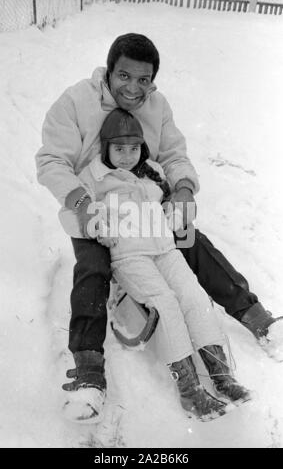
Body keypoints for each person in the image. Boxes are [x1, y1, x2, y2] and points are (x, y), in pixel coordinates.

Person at [35, 33, 281, 421]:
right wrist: (81, 204)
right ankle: (89, 374)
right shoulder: (76, 102)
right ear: (109, 70)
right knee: (93, 270)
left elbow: (174, 154)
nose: (133, 88)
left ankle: (257, 319)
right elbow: (51, 161)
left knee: (193, 243)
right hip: (98, 210)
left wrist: (182, 189)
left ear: (154, 81)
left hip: (148, 208)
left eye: (144, 80)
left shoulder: (157, 106)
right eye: (124, 76)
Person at [63, 107, 252, 422]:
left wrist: (174, 213)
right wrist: (96, 224)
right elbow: (73, 212)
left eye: (133, 148)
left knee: (194, 297)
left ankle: (222, 376)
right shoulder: (92, 179)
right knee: (167, 304)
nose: (127, 156)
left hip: (164, 249)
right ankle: (190, 391)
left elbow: (170, 204)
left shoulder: (151, 172)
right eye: (119, 149)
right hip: (130, 256)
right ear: (106, 146)